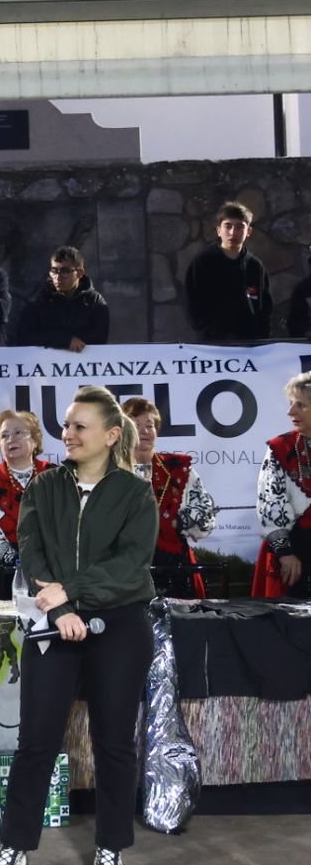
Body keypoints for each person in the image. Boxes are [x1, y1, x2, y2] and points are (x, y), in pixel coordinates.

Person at [0, 385, 156, 865]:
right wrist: (59, 609)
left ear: (109, 435)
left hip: (120, 625)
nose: (69, 433)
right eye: (66, 425)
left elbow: (131, 565)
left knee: (113, 744)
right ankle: (14, 849)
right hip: (52, 625)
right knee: (36, 741)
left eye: (81, 426)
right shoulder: (44, 486)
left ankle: (110, 849)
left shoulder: (134, 492)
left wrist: (74, 592)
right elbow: (31, 553)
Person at [122, 396, 218, 599]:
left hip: (176, 566)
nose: (144, 431)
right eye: (136, 425)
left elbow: (206, 511)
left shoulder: (178, 467)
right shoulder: (109, 472)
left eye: (150, 425)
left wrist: (177, 521)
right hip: (125, 568)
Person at [0, 409, 53, 600]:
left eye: (18, 433)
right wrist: (15, 559)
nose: (10, 439)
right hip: (1, 575)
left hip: (49, 571)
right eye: (4, 436)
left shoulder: (54, 476)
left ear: (35, 439)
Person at [251, 371, 311, 598]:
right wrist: (285, 553)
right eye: (290, 404)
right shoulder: (281, 447)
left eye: (301, 405)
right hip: (296, 553)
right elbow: (270, 502)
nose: (291, 412)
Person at [184, 200, 273, 342]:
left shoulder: (255, 266)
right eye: (228, 226)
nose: (233, 232)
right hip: (213, 345)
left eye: (239, 227)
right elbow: (192, 304)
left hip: (250, 345)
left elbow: (265, 308)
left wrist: (261, 337)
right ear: (218, 230)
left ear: (248, 231)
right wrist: (208, 333)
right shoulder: (203, 262)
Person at [12, 246, 110, 351]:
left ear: (80, 273)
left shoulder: (94, 301)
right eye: (54, 271)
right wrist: (64, 341)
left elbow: (99, 338)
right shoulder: (38, 301)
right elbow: (24, 337)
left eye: (65, 271)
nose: (57, 277)